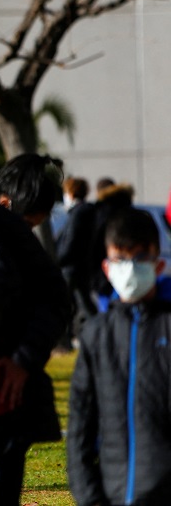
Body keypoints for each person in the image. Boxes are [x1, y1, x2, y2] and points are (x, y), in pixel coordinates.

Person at [68, 208, 171, 505]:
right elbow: (80, 428)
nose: (129, 268)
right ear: (107, 266)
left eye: (139, 259)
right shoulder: (97, 336)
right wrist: (89, 497)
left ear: (158, 264)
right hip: (110, 493)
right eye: (121, 259)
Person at [0, 152, 69, 506]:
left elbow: (56, 301)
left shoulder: (16, 240)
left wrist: (22, 359)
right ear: (5, 203)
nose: (30, 231)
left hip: (5, 396)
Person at [55, 177, 97, 339]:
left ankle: (64, 338)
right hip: (79, 266)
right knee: (82, 302)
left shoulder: (78, 214)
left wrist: (58, 260)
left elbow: (71, 241)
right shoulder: (85, 212)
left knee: (68, 303)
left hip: (72, 267)